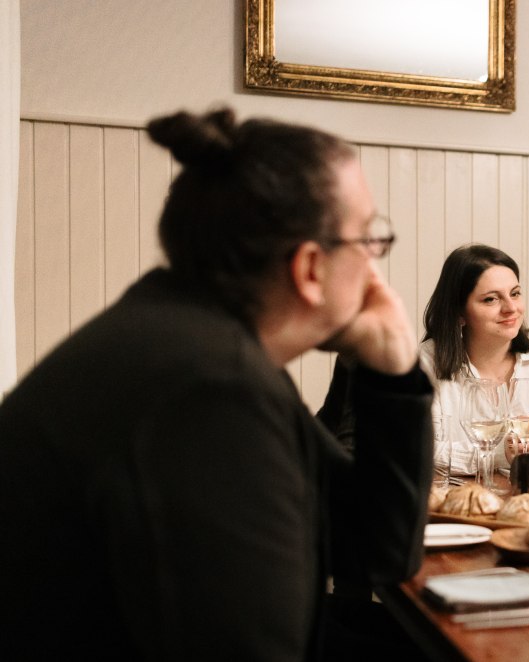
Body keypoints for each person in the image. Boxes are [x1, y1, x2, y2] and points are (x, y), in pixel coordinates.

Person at [0, 108, 433, 660]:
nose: (375, 266)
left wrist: (393, 373)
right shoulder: (209, 388)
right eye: (368, 238)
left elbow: (375, 551)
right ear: (309, 268)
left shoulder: (199, 343)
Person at [419, 243, 529, 470]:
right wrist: (500, 455)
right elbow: (418, 449)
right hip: (456, 493)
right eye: (491, 299)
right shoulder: (425, 363)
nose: (511, 308)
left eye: (515, 293)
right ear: (459, 313)